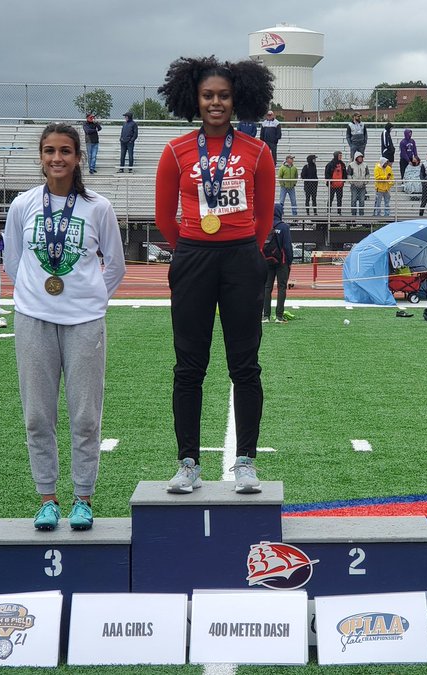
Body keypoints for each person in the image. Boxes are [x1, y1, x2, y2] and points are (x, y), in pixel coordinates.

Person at [155, 55, 275, 494]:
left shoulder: (258, 150)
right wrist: (191, 246)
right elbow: (164, 216)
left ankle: (245, 461)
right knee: (189, 367)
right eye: (208, 96)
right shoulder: (176, 151)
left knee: (245, 366)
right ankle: (187, 462)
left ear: (237, 98)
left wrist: (247, 249)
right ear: (195, 98)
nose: (216, 103)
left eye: (224, 96)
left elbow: (263, 215)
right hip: (194, 259)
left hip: (242, 258)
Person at [4, 122, 126, 531]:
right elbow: (14, 262)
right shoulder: (23, 205)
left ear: (78, 158)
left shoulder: (99, 208)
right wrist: (36, 295)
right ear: (41, 156)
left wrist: (89, 299)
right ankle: (47, 498)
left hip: (84, 325)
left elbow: (116, 265)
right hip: (34, 321)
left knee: (86, 417)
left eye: (66, 151)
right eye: (50, 150)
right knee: (38, 415)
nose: (57, 158)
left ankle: (83, 498)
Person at [261, 204, 293, 323]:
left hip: (267, 261)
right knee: (281, 287)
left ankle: (265, 316)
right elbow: (287, 246)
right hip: (282, 261)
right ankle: (279, 316)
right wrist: (289, 261)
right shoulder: (284, 227)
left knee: (266, 287)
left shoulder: (266, 225)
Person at [348, 151, 369, 218]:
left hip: (362, 186)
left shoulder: (365, 165)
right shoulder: (351, 165)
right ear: (356, 158)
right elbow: (348, 175)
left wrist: (365, 182)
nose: (361, 159)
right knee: (353, 200)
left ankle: (361, 215)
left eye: (361, 157)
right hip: (354, 186)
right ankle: (353, 214)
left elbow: (367, 175)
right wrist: (352, 182)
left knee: (362, 201)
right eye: (359, 157)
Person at [325, 150, 346, 216]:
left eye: (341, 155)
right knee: (330, 199)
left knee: (339, 199)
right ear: (336, 156)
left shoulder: (342, 164)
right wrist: (330, 183)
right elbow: (327, 174)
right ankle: (328, 212)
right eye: (339, 155)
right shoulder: (330, 164)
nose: (341, 157)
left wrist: (343, 181)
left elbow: (345, 174)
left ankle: (339, 212)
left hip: (340, 185)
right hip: (332, 186)